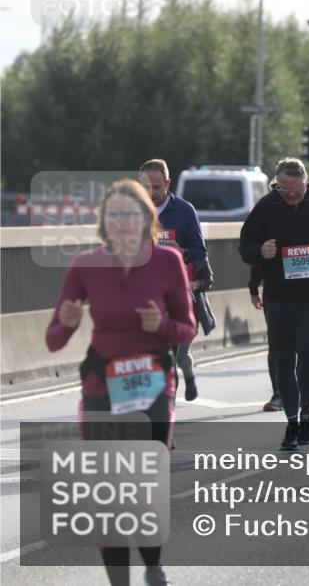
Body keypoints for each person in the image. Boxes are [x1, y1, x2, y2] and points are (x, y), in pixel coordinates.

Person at [46, 179, 194, 586]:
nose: (123, 223)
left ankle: (152, 568)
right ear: (104, 222)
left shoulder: (167, 262)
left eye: (131, 214)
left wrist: (160, 324)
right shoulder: (86, 265)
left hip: (152, 386)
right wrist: (69, 322)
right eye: (114, 215)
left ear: (146, 217)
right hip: (102, 386)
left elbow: (187, 329)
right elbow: (53, 339)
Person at [239, 158, 309, 450]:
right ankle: (291, 421)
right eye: (285, 190)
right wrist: (260, 251)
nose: (291, 195)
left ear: (306, 181)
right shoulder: (266, 206)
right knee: (283, 358)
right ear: (277, 184)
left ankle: (307, 414)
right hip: (280, 295)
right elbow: (245, 245)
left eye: (297, 189)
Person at [140, 158, 212, 403]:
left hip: (181, 296)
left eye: (157, 188)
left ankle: (187, 376)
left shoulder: (184, 211)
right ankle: (163, 406)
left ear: (167, 183)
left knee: (177, 356)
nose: (152, 194)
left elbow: (200, 252)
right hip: (147, 297)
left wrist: (182, 252)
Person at [249, 263, 281, 412]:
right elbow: (257, 255)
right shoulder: (270, 239)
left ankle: (301, 392)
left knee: (304, 346)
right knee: (276, 345)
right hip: (275, 295)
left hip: (307, 296)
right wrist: (253, 288)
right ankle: (279, 394)